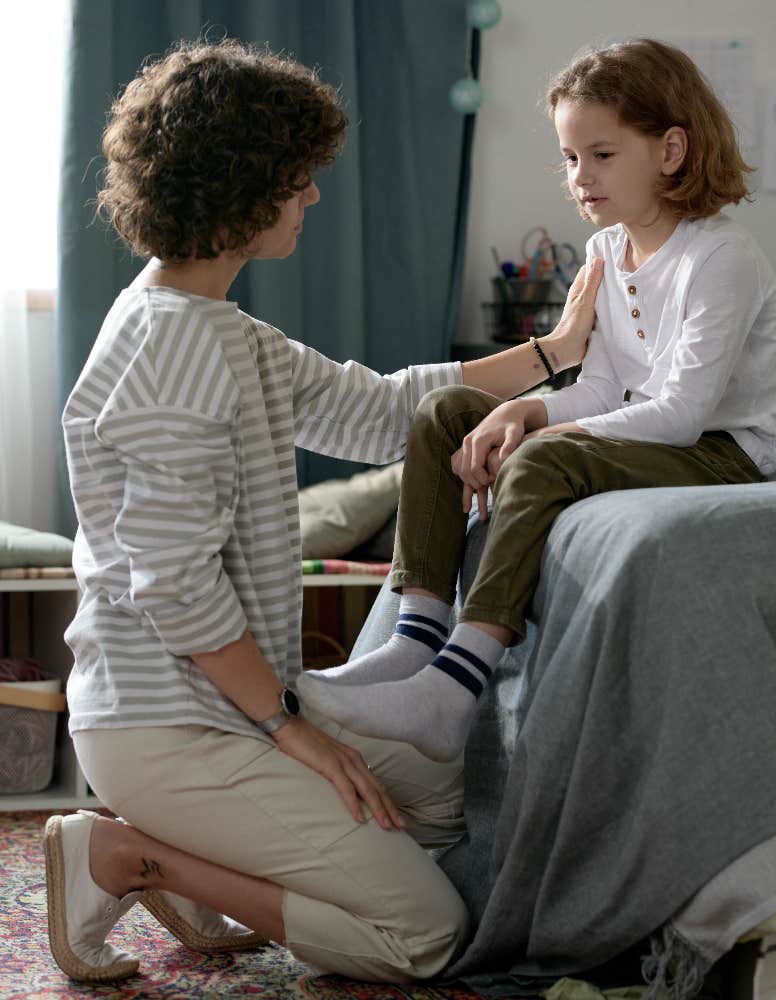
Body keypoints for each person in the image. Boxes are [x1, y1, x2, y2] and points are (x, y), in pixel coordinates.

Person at [45, 39, 602, 984]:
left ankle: (207, 859)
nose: (310, 198)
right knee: (427, 936)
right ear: (244, 186)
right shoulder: (175, 353)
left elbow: (384, 407)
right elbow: (174, 587)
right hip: (170, 726)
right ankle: (133, 855)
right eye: (299, 179)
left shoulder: (213, 327)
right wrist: (291, 729)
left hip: (214, 709)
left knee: (432, 793)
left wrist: (556, 351)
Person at [297, 37, 776, 764]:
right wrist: (524, 408)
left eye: (601, 154)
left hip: (726, 453)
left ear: (670, 150)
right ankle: (416, 639)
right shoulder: (603, 255)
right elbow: (599, 386)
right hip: (668, 434)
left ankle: (458, 680)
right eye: (569, 158)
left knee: (547, 458)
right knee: (445, 414)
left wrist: (539, 430)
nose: (579, 176)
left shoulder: (720, 258)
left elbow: (682, 412)